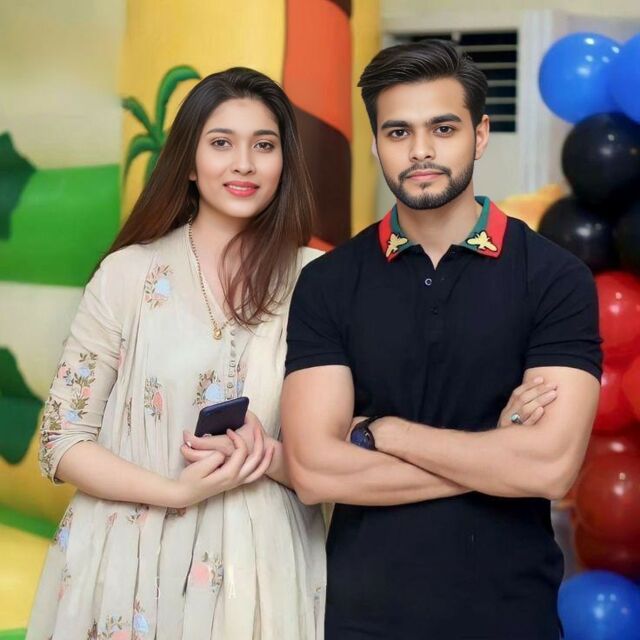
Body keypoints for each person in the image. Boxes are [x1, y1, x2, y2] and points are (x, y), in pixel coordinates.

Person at [281, 40, 601, 640]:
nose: (420, 150)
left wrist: (384, 432)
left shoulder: (554, 277)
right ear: (376, 144)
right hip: (362, 623)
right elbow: (314, 471)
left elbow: (551, 467)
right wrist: (496, 455)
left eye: (443, 128)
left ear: (480, 135)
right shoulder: (328, 282)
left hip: (512, 618)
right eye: (398, 132)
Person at [27, 67, 325, 640]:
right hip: (129, 561)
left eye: (264, 145)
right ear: (189, 162)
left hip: (261, 571)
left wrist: (269, 456)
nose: (244, 164)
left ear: (284, 162)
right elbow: (61, 440)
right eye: (221, 143)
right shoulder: (127, 274)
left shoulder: (319, 281)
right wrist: (176, 492)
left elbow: (341, 450)